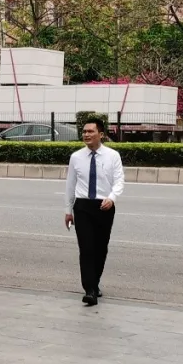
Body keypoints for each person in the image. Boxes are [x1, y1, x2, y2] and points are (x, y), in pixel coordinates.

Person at [64, 119, 124, 307]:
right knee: (86, 248)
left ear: (101, 134)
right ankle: (89, 290)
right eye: (84, 132)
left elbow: (119, 181)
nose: (86, 135)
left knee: (100, 248)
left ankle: (95, 283)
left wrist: (112, 198)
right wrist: (68, 210)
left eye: (90, 131)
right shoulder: (76, 157)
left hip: (104, 206)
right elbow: (70, 185)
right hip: (82, 206)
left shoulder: (113, 156)